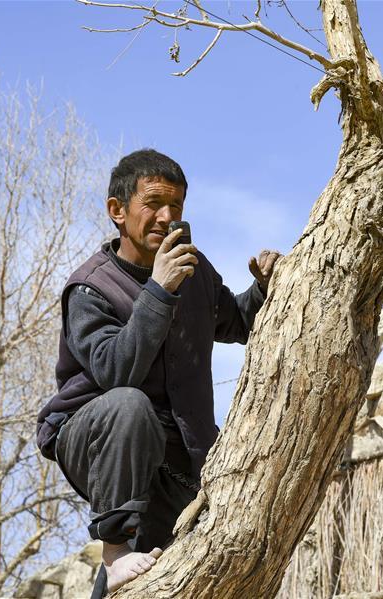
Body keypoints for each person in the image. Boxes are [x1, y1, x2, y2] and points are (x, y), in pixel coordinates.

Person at [35, 149, 281, 595]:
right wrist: (159, 291)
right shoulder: (90, 287)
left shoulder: (195, 270)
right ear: (117, 210)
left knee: (158, 572)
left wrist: (264, 287)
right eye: (152, 204)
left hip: (177, 454)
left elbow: (238, 322)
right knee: (131, 407)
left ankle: (121, 569)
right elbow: (115, 372)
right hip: (99, 436)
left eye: (177, 207)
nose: (167, 218)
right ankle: (113, 551)